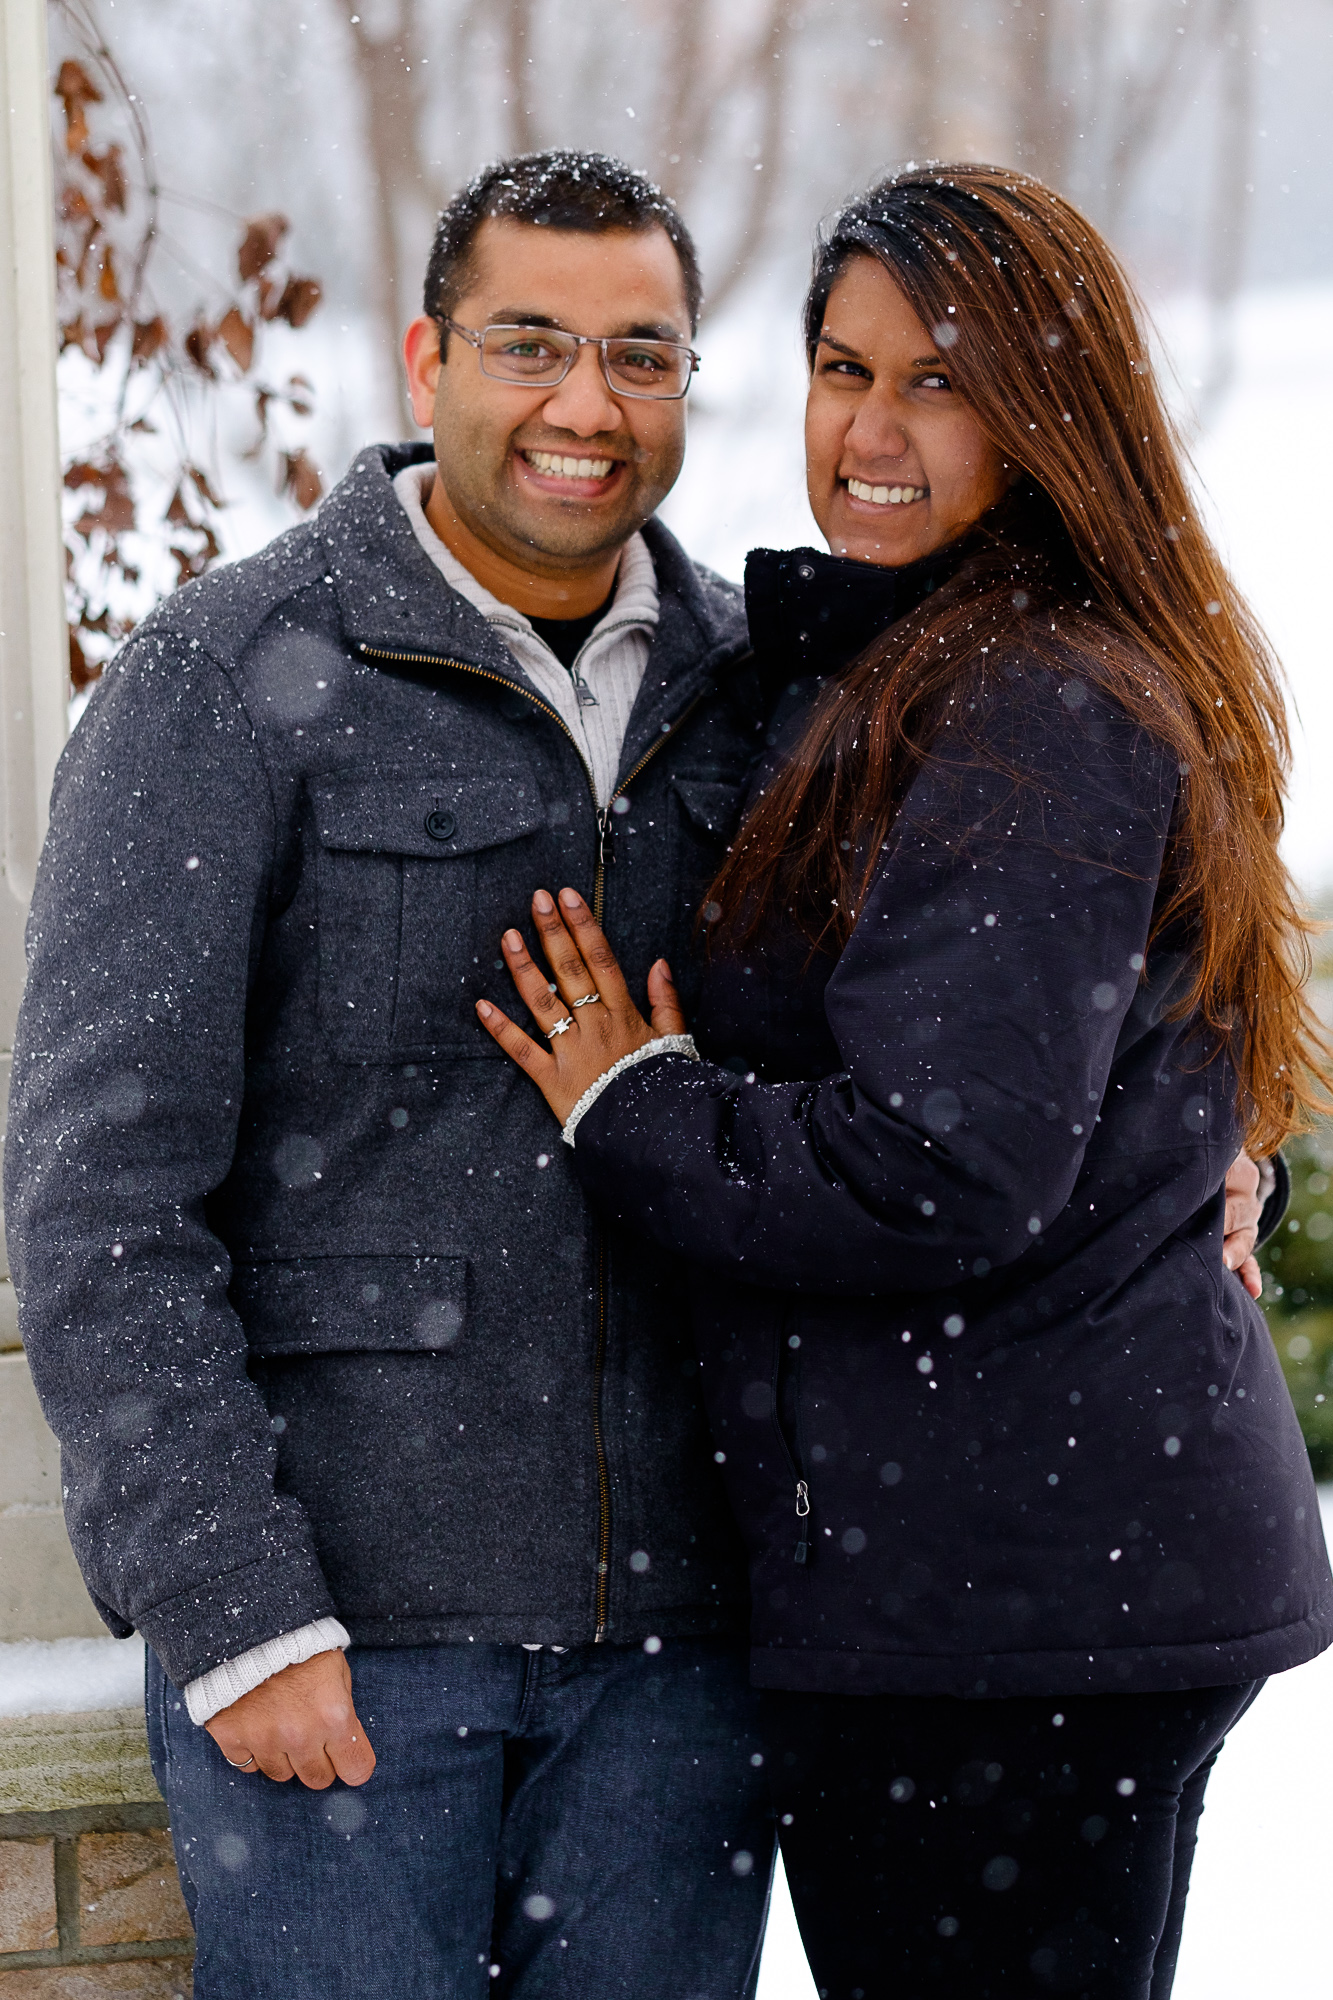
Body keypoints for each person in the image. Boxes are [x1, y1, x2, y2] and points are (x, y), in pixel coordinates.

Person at [476, 164, 1333, 1999]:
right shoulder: (936, 658)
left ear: (1046, 414)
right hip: (1026, 1571)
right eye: (836, 367)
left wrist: (634, 1105)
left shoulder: (1030, 702)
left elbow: (939, 1166)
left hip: (1013, 1608)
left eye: (937, 381)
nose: (868, 429)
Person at [5, 151, 776, 2000]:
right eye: (530, 343)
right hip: (348, 1655)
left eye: (641, 355)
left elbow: (964, 1030)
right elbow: (100, 1191)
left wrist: (1219, 1155)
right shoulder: (227, 675)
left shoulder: (768, 689)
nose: (585, 407)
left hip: (691, 1656)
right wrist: (233, 1607)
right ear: (425, 360)